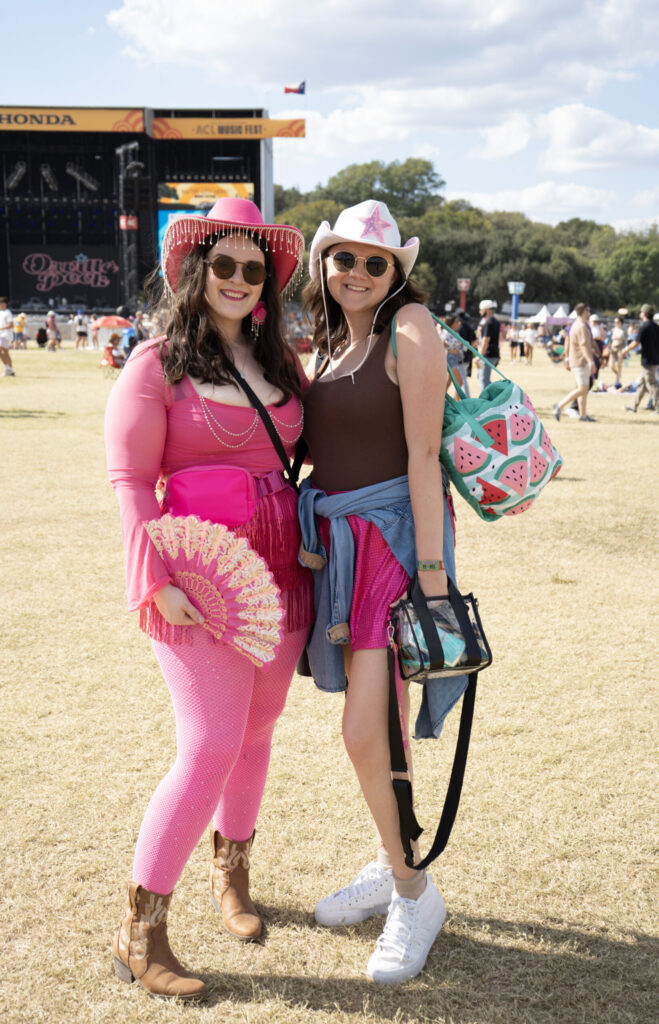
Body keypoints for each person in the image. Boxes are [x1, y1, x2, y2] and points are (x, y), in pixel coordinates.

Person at [104, 198, 312, 1000]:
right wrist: (157, 577)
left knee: (257, 731)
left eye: (251, 268)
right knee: (209, 745)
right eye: (220, 263)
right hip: (195, 577)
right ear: (195, 272)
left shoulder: (280, 362)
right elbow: (128, 480)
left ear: (266, 284)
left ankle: (233, 878)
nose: (235, 278)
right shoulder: (155, 363)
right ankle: (139, 932)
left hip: (281, 571)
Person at [299, 200, 467, 984]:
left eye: (376, 262)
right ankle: (387, 857)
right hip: (338, 547)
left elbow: (424, 456)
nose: (359, 272)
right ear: (322, 265)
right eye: (345, 259)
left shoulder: (411, 329)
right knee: (377, 725)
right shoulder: (335, 340)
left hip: (392, 549)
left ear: (396, 272)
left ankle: (412, 892)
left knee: (367, 731)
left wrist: (431, 582)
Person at [552, 303, 596, 422]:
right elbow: (583, 346)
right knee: (582, 389)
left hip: (579, 361)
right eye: (588, 310)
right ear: (583, 312)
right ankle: (559, 406)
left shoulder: (578, 325)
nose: (589, 312)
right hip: (580, 361)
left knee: (584, 388)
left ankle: (583, 415)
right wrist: (590, 361)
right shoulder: (581, 326)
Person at [622, 303, 659, 414]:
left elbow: (636, 343)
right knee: (642, 385)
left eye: (641, 312)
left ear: (644, 313)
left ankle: (658, 408)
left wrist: (625, 350)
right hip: (654, 359)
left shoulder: (645, 327)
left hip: (648, 360)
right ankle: (634, 407)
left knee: (652, 385)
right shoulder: (656, 327)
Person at [476, 299, 500, 391]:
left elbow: (485, 341)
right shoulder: (496, 322)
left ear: (487, 310)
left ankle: (487, 402)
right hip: (494, 354)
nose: (480, 312)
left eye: (481, 310)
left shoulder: (488, 323)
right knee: (483, 378)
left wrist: (479, 356)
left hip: (487, 355)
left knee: (483, 381)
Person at [608, 316, 626, 386]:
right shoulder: (612, 330)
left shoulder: (623, 331)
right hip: (613, 349)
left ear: (621, 323)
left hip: (620, 348)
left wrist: (625, 350)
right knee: (611, 366)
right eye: (615, 322)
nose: (616, 323)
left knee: (619, 365)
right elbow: (610, 340)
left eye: (617, 322)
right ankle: (618, 374)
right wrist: (609, 347)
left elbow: (625, 341)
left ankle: (617, 379)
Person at [0, 297, 15, 375]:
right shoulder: (0, 312)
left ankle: (7, 368)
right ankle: (10, 369)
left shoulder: (7, 312)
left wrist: (1, 328)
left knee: (3, 351)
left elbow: (10, 325)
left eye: (1, 303)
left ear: (5, 304)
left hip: (4, 335)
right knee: (5, 352)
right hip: (1, 334)